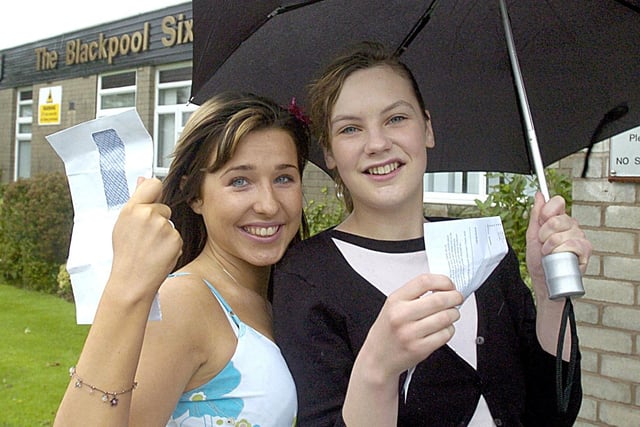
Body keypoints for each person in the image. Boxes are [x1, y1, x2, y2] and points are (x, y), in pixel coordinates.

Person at [271, 41, 591, 426]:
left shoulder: (485, 249)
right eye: (351, 128)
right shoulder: (306, 276)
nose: (377, 144)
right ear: (330, 154)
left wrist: (547, 290)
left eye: (396, 119)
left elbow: (555, 414)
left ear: (427, 129)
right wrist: (379, 367)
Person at [54, 92, 310, 426]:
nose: (268, 204)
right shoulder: (184, 303)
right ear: (194, 195)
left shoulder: (278, 297)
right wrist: (127, 285)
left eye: (283, 178)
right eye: (240, 181)